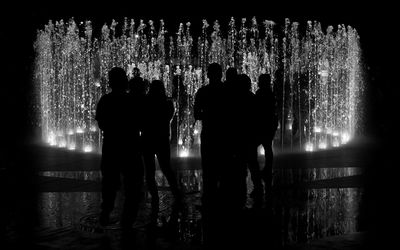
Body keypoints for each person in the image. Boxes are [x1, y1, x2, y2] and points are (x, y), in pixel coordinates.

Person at [95, 67, 144, 233]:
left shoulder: (105, 100)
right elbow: (140, 123)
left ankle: (106, 212)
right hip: (130, 147)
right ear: (124, 81)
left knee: (109, 183)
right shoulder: (133, 100)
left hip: (111, 147)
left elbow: (101, 124)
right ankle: (127, 222)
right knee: (133, 185)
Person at [142, 79, 183, 222]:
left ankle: (154, 197)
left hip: (148, 139)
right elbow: (169, 118)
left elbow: (141, 119)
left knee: (149, 169)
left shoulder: (145, 102)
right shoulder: (167, 102)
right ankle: (176, 193)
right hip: (162, 138)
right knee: (166, 167)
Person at [255, 73, 278, 203]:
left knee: (260, 146)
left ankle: (263, 169)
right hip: (269, 124)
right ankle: (267, 169)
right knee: (267, 146)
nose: (258, 82)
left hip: (264, 124)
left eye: (259, 80)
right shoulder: (270, 93)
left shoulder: (262, 93)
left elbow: (258, 108)